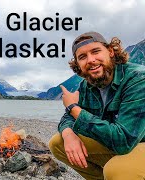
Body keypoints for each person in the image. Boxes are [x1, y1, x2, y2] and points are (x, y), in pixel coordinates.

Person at [49, 32, 145, 180]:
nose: (91, 60)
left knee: (116, 170)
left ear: (111, 52)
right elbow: (68, 116)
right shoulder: (87, 86)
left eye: (95, 51)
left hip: (135, 142)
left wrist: (74, 108)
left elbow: (124, 141)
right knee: (58, 143)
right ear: (78, 65)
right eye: (82, 57)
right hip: (120, 143)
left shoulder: (138, 79)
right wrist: (68, 134)